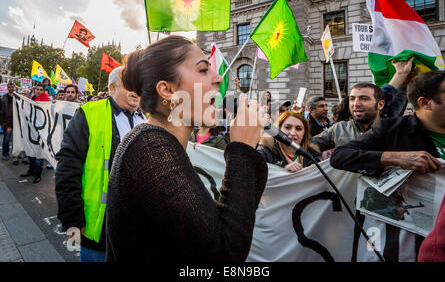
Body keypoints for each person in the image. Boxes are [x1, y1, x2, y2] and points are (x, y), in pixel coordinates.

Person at [105, 35, 268, 262]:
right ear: (168, 90)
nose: (219, 78)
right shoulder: (150, 149)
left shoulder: (156, 143)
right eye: (203, 70)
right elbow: (225, 253)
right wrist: (242, 148)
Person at [330, 70, 445, 261]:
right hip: (409, 243)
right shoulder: (391, 130)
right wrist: (396, 158)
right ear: (425, 103)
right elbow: (340, 157)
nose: (356, 103)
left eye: (363, 98)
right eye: (352, 98)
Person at [55, 66, 146, 262]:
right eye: (129, 83)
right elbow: (67, 168)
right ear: (112, 88)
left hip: (139, 228)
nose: (136, 89)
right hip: (100, 229)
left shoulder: (148, 118)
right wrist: (71, 219)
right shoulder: (88, 113)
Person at [20, 83, 50, 183]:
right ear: (35, 90)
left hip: (41, 130)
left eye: (41, 89)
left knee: (39, 153)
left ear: (44, 91)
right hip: (30, 129)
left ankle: (38, 174)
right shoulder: (31, 99)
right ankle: (31, 170)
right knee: (30, 150)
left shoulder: (46, 101)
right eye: (37, 89)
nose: (39, 91)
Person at [0, 82, 18, 163]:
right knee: (6, 140)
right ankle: (5, 154)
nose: (11, 88)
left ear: (15, 87)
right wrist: (4, 124)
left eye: (12, 86)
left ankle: (16, 155)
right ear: (7, 88)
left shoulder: (18, 97)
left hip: (17, 123)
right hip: (7, 123)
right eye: (9, 87)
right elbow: (1, 112)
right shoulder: (3, 98)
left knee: (16, 140)